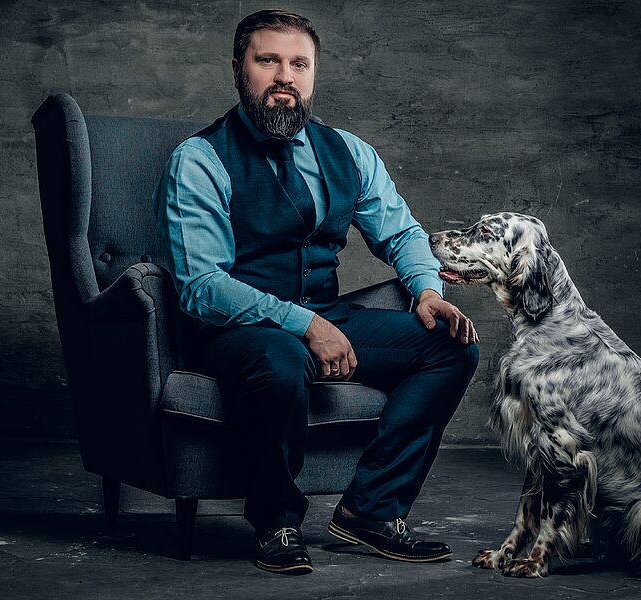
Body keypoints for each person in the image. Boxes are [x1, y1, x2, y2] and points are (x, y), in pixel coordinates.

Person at [152, 9, 480, 575]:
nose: (285, 76)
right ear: (239, 70)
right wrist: (303, 326)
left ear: (313, 75)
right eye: (268, 61)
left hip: (327, 315)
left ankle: (370, 510)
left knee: (450, 345)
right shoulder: (199, 160)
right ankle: (276, 522)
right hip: (239, 331)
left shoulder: (348, 151)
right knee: (281, 360)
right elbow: (203, 287)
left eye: (299, 64)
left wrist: (426, 291)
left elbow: (399, 232)